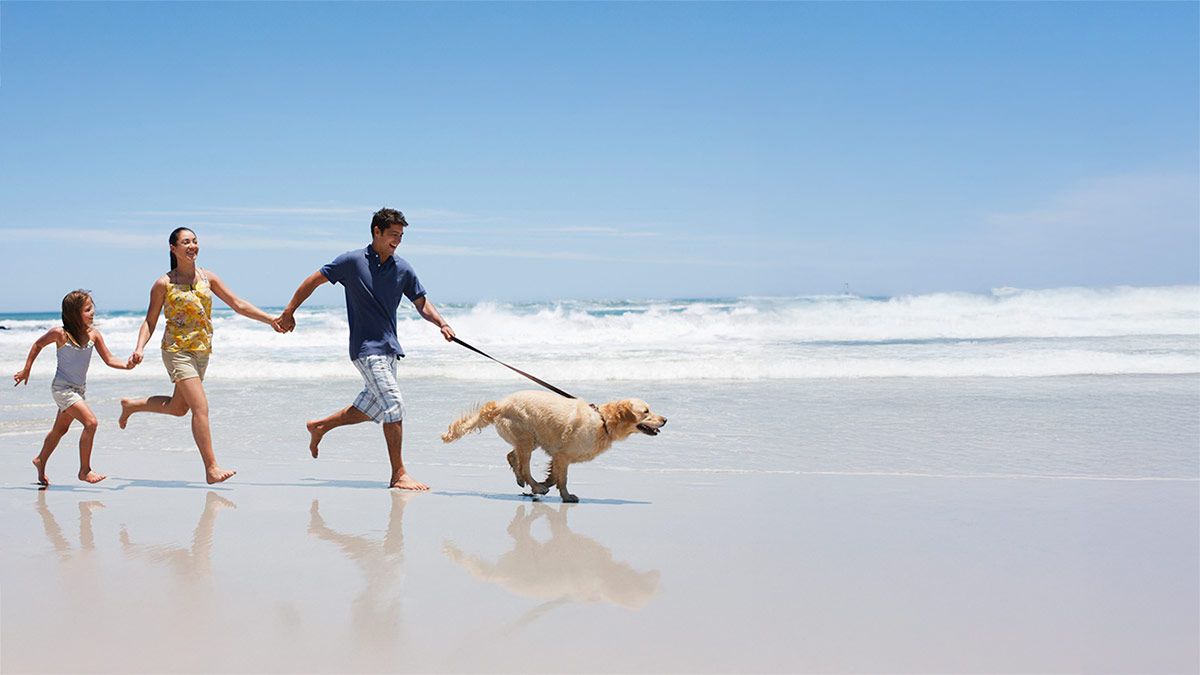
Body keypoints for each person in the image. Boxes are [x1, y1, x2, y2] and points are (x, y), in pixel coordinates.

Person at [275, 207, 455, 490]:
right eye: (392, 235)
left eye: (401, 236)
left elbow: (421, 302)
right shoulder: (352, 262)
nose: (397, 240)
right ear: (376, 232)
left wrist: (441, 324)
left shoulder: (403, 268)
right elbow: (314, 280)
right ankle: (399, 474)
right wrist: (289, 311)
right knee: (393, 404)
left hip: (390, 349)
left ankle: (319, 426)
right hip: (365, 349)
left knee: (371, 408)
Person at [118, 227, 283, 484]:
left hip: (202, 352)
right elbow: (149, 321)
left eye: (195, 241)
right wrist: (139, 348)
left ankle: (132, 405)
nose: (192, 246)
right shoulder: (164, 283)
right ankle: (211, 468)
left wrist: (270, 319)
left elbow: (238, 304)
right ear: (173, 248)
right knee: (200, 407)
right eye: (186, 242)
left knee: (178, 408)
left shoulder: (208, 278)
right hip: (176, 351)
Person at [13, 290, 134, 485]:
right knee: (91, 423)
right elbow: (37, 345)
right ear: (73, 314)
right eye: (87, 309)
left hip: (78, 390)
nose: (92, 312)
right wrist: (26, 369)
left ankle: (40, 460)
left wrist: (127, 365)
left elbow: (109, 359)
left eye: (92, 307)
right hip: (62, 389)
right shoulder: (60, 334)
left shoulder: (94, 335)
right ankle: (84, 470)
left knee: (60, 430)